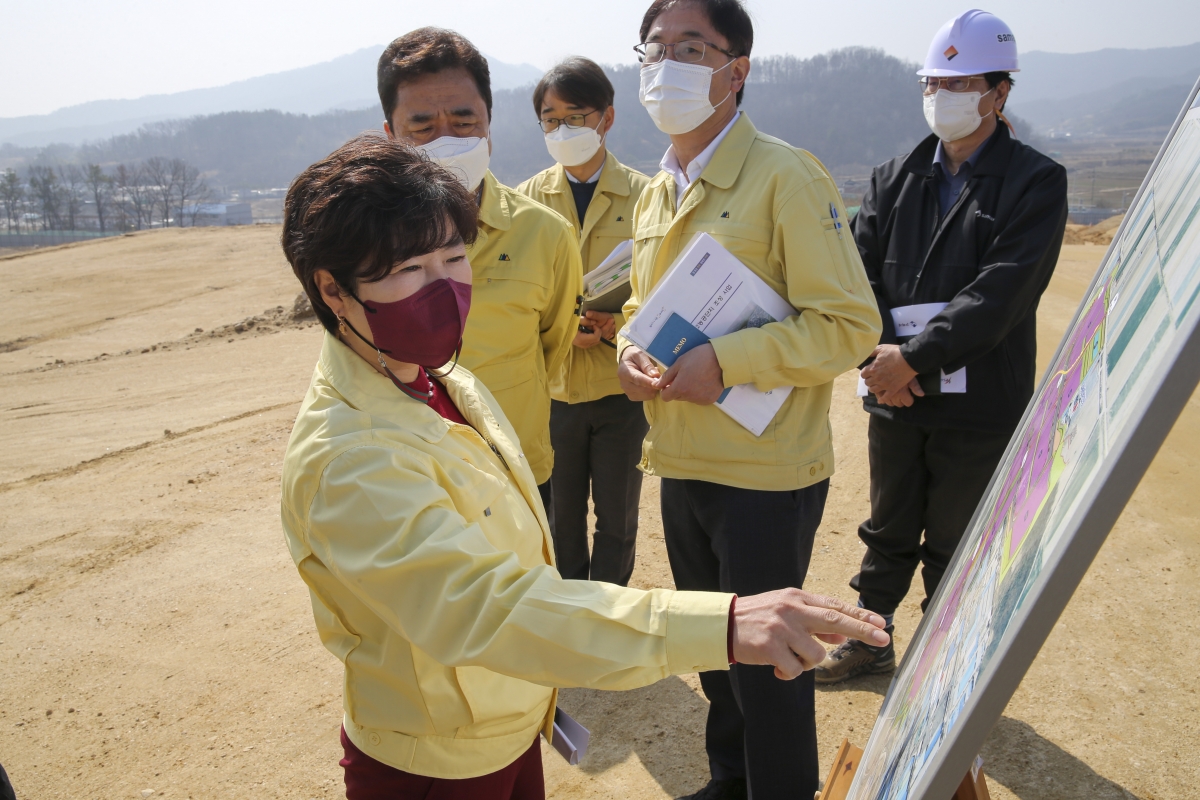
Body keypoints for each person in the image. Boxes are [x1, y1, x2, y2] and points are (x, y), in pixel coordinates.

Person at [278, 134, 891, 800]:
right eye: (408, 271)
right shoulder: (353, 459)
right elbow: (489, 609)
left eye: (454, 257)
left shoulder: (437, 377)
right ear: (333, 290)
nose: (445, 287)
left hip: (502, 720)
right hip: (434, 759)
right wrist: (718, 625)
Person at [616, 1, 883, 797]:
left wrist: (728, 362)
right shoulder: (654, 193)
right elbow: (643, 310)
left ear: (737, 71)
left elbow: (847, 325)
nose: (667, 64)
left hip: (764, 475)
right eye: (654, 48)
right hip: (682, 459)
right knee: (715, 652)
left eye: (690, 47)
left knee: (769, 671)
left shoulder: (785, 176)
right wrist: (632, 353)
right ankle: (732, 782)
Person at [816, 10, 1068, 684]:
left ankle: (947, 664)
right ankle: (871, 637)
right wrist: (880, 358)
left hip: (977, 397)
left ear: (999, 93)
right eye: (933, 81)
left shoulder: (1036, 182)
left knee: (960, 534)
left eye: (958, 83)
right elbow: (854, 274)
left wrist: (911, 358)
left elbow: (1001, 293)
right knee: (888, 522)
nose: (941, 96)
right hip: (895, 391)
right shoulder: (895, 175)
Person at [378, 28, 583, 524]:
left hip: (518, 474)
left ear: (489, 122)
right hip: (412, 480)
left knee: (531, 600)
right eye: (423, 126)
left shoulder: (545, 234)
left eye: (464, 120)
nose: (447, 138)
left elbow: (551, 350)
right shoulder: (367, 244)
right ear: (391, 135)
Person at [515, 58, 651, 586]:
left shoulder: (647, 196)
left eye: (576, 116)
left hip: (621, 387)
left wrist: (621, 323)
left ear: (607, 118)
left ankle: (610, 615)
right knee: (559, 517)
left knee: (616, 519)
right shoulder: (525, 201)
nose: (563, 130)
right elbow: (516, 295)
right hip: (552, 390)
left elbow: (663, 285)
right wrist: (560, 328)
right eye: (551, 120)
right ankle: (571, 621)